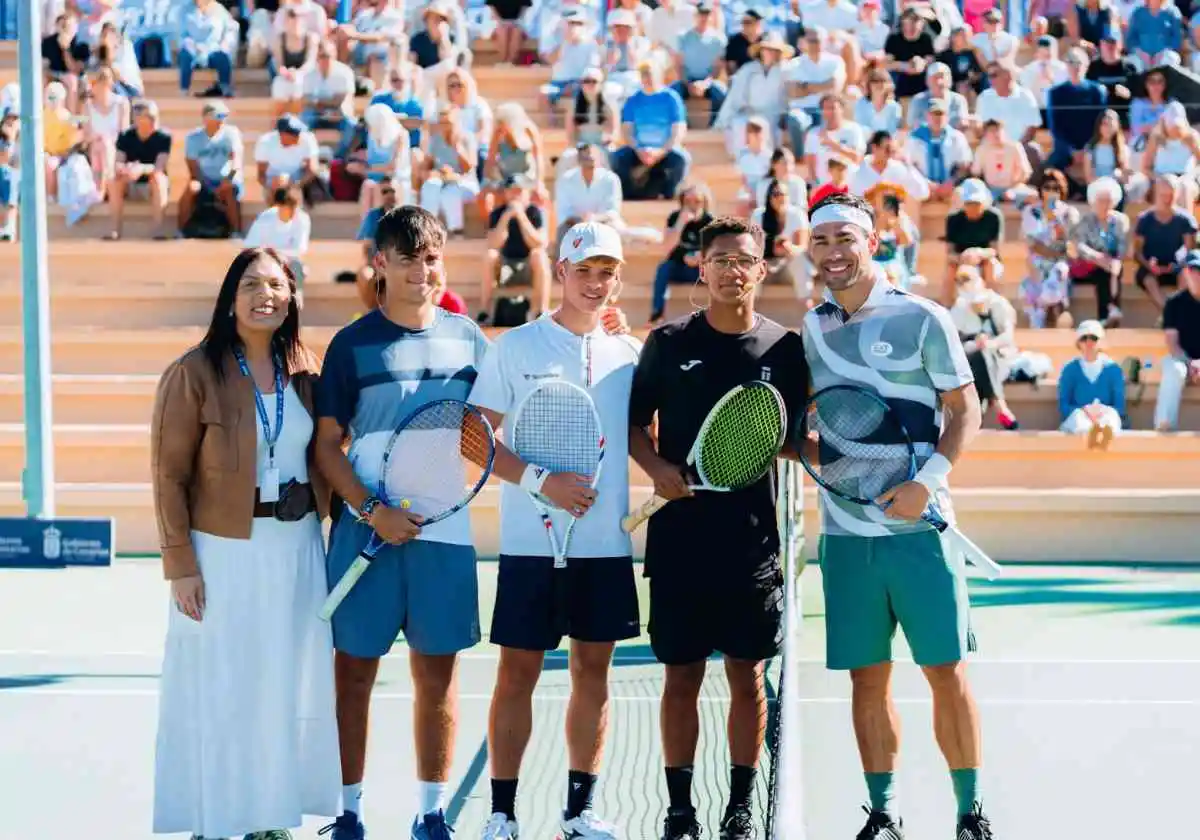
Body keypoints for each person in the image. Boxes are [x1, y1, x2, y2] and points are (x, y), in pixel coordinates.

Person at [802, 191, 992, 840]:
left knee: (946, 672)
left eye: (844, 239)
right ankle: (883, 814)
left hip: (919, 531)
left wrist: (927, 482)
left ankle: (970, 814)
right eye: (821, 240)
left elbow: (964, 409)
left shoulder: (924, 318)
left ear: (872, 241)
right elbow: (814, 421)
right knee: (867, 680)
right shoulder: (812, 327)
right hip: (846, 536)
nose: (833, 252)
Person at [151, 247, 341, 840]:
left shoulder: (308, 370)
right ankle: (217, 818)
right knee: (224, 685)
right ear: (230, 299)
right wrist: (181, 566)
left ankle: (268, 819)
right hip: (223, 551)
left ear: (293, 297)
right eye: (253, 285)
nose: (267, 295)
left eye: (278, 285)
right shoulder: (194, 371)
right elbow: (168, 475)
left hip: (297, 546)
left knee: (281, 685)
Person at [628, 217, 808, 840]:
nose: (734, 270)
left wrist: (837, 455)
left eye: (745, 261)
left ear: (762, 270)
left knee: (747, 676)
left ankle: (738, 806)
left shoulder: (784, 349)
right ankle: (681, 810)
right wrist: (655, 468)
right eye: (722, 260)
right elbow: (634, 425)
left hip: (751, 546)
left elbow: (783, 438)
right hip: (678, 545)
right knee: (680, 677)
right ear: (701, 269)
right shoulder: (668, 341)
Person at [314, 207, 490, 840]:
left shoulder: (471, 340)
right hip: (366, 532)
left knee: (437, 675)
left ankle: (431, 812)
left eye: (433, 257)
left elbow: (495, 423)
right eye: (409, 258)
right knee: (352, 673)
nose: (423, 270)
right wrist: (371, 511)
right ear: (380, 265)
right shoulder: (351, 344)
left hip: (443, 535)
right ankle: (350, 811)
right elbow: (327, 446)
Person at [468, 222, 641, 840]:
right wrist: (543, 482)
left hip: (604, 548)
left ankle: (578, 813)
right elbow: (474, 437)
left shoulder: (630, 353)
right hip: (529, 547)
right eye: (585, 271)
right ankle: (501, 815)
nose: (596, 284)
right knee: (517, 673)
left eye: (607, 273)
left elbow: (644, 436)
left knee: (593, 674)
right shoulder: (515, 347)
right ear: (561, 272)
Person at [1154, 249, 1200, 430]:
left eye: (1198, 270)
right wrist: (1191, 364)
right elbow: (1172, 343)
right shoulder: (1174, 303)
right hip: (1183, 360)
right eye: (1190, 270)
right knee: (1173, 369)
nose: (1195, 275)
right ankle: (1164, 426)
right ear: (1185, 274)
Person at [1057, 319, 1126, 436]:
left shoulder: (1113, 369)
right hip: (1079, 418)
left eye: (1093, 338)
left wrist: (1101, 410)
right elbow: (1063, 406)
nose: (1088, 343)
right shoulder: (1069, 370)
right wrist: (1085, 410)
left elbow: (1119, 407)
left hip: (1105, 416)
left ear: (1101, 341)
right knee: (1079, 421)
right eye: (1084, 338)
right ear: (1078, 343)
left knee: (1111, 419)